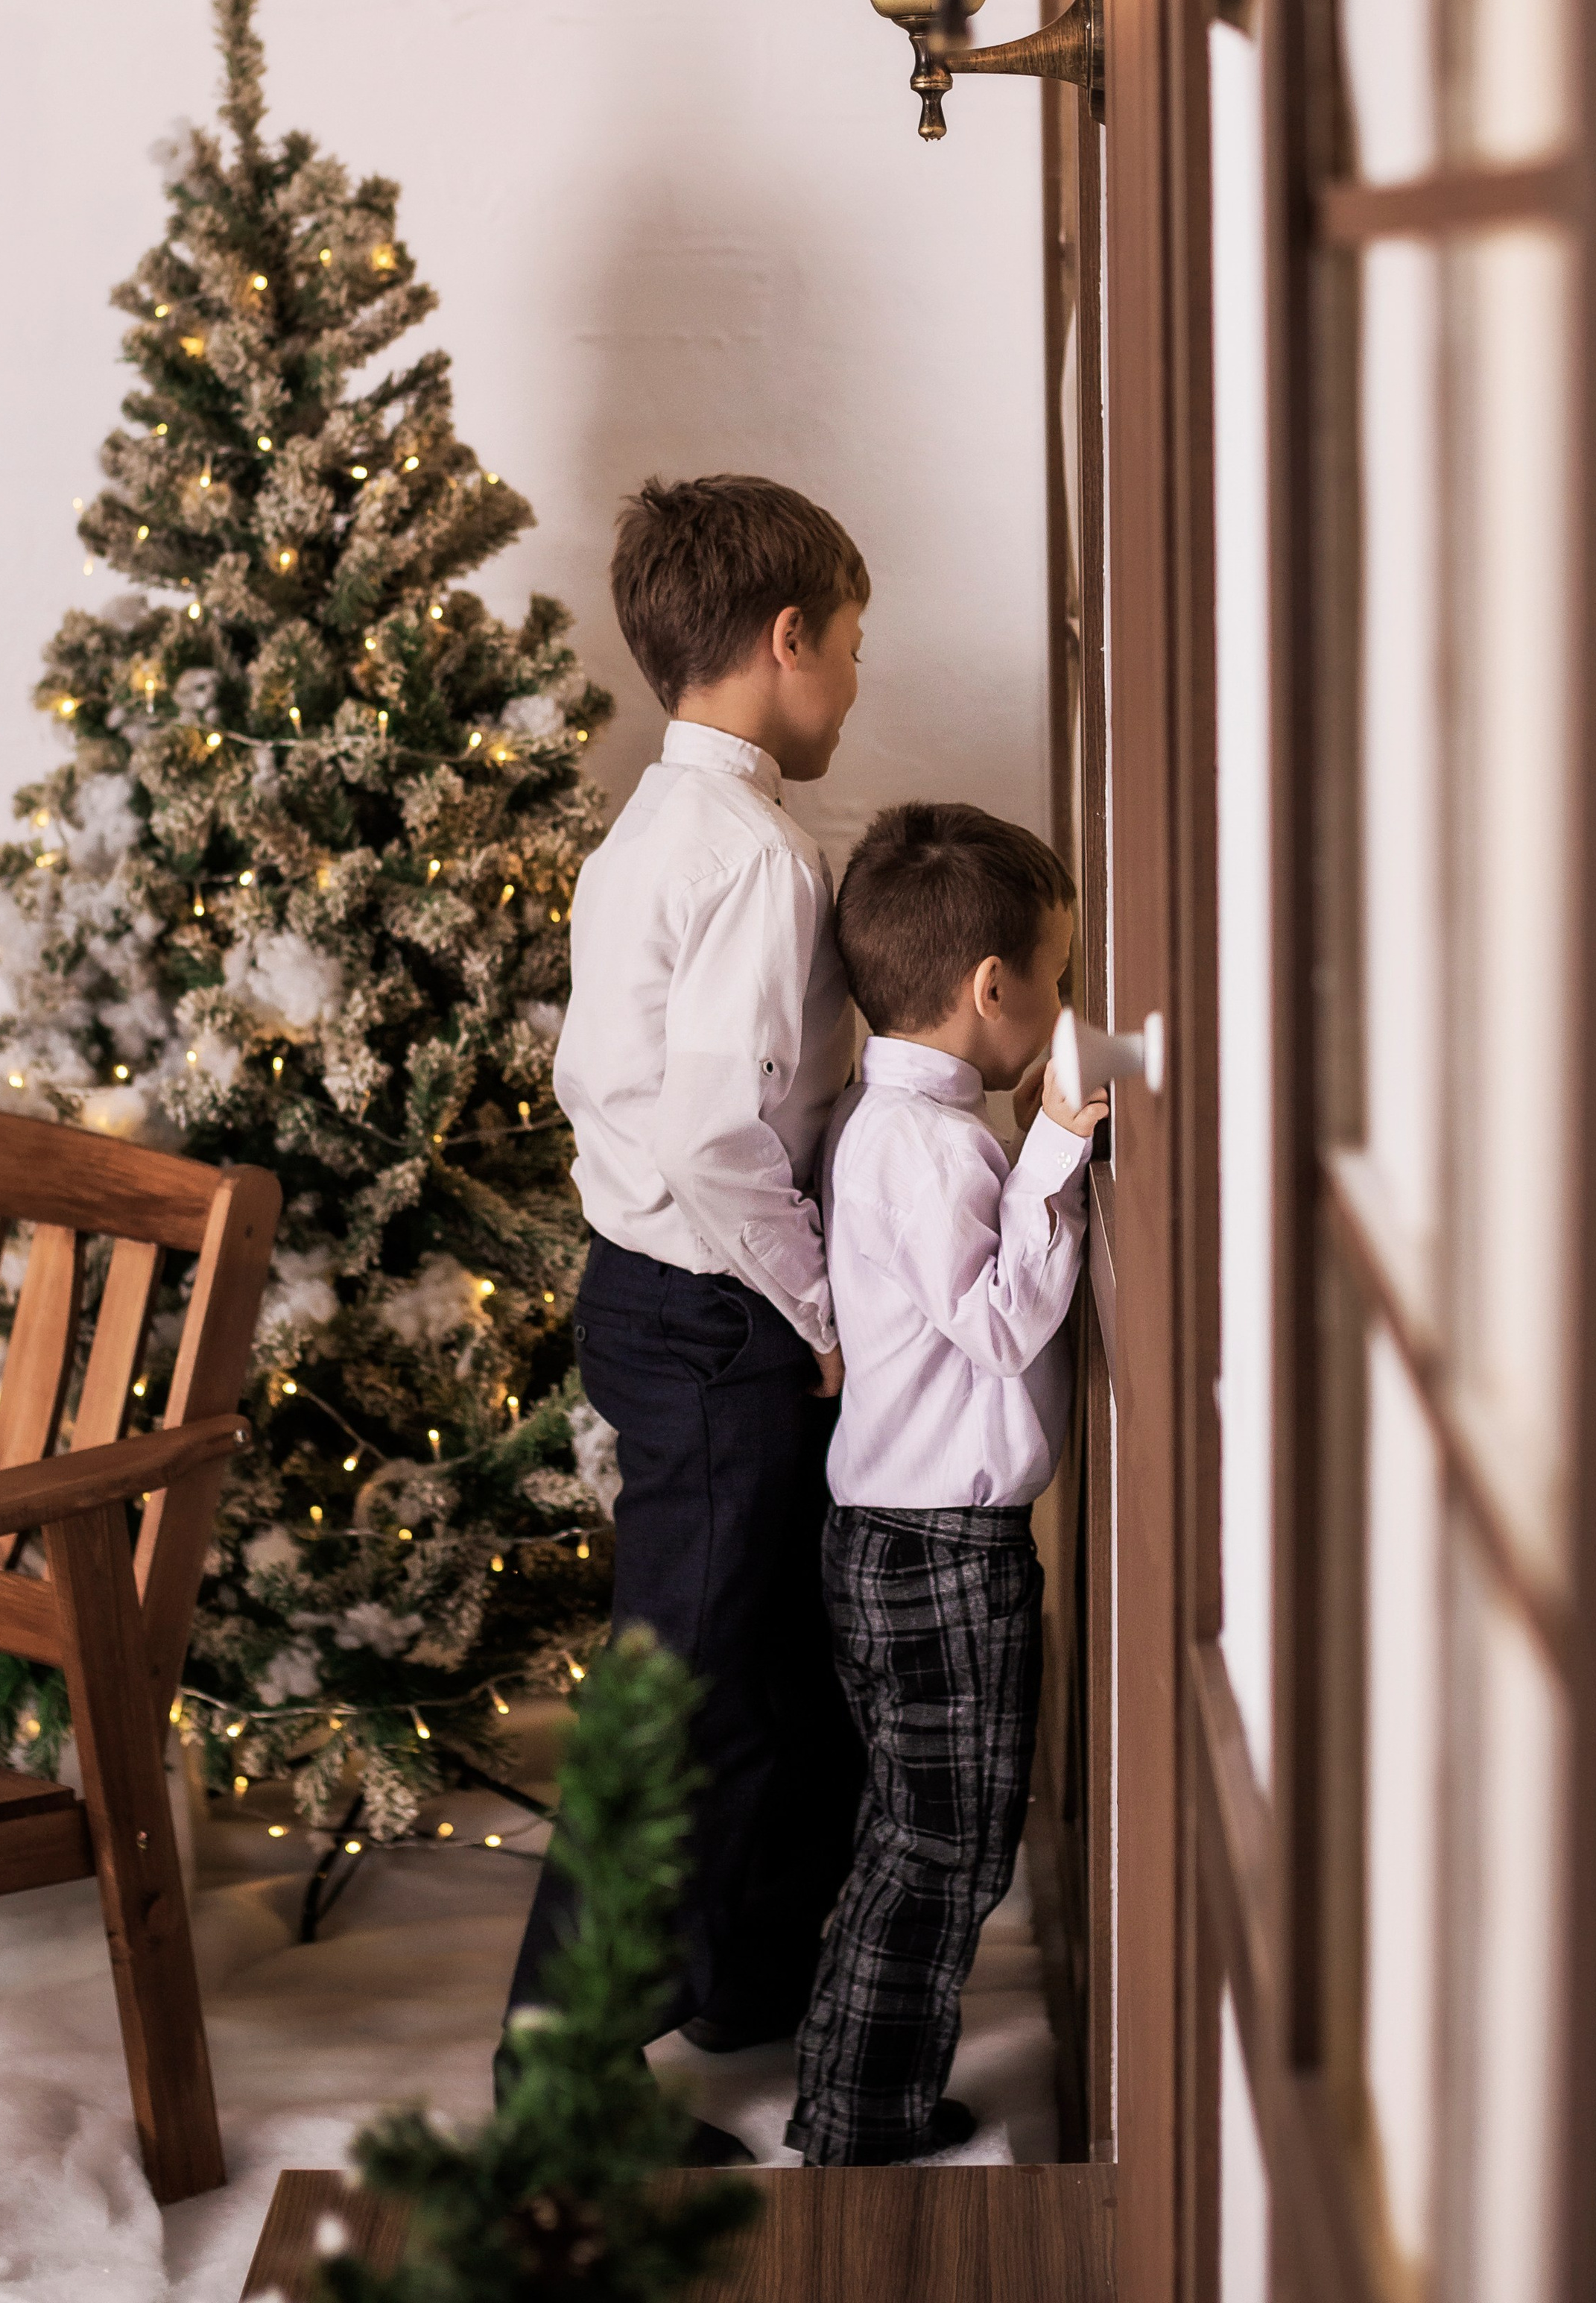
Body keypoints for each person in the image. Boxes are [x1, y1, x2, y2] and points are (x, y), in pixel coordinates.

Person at [504, 473, 869, 2158]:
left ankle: (740, 1978)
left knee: (766, 1668)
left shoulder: (651, 824)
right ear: (782, 640)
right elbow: (717, 1136)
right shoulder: (753, 859)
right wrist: (818, 1312)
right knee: (681, 1693)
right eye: (847, 651)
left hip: (647, 1299)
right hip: (718, 1313)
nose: (852, 687)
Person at [785, 802, 1107, 2168]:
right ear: (996, 991)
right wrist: (1059, 1147)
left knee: (924, 1838)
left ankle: (859, 2097)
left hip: (902, 1539)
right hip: (936, 1553)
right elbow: (994, 1322)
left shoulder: (894, 1119)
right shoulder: (932, 1146)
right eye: (1061, 975)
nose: (1065, 1001)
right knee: (943, 1852)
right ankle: (859, 2124)